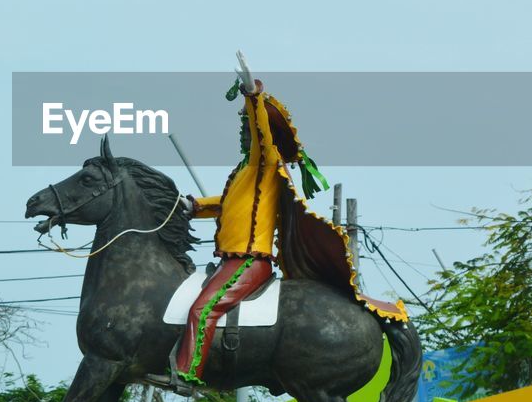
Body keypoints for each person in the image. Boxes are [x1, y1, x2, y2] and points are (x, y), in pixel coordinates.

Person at [173, 79, 407, 386]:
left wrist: (254, 100)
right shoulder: (242, 171)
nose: (244, 134)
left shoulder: (265, 160)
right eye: (242, 129)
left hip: (248, 261)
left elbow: (261, 135)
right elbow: (226, 203)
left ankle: (186, 374)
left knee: (202, 310)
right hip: (229, 259)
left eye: (248, 130)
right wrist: (193, 206)